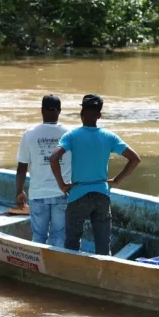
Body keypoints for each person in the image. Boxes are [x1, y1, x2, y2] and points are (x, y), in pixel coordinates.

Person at [49, 94, 141, 255]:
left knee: (71, 242)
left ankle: (72, 271)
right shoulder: (109, 137)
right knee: (103, 245)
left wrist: (62, 185)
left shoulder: (72, 136)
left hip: (78, 194)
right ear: (99, 115)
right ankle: (103, 275)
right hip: (102, 195)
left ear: (81, 113)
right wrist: (116, 181)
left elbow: (54, 158)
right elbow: (135, 159)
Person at [15, 94, 71, 248]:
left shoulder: (29, 134)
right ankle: (57, 269)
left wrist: (20, 191)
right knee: (60, 236)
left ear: (41, 110)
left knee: (39, 236)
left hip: (38, 194)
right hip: (63, 193)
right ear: (60, 111)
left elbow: (22, 167)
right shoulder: (70, 134)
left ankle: (39, 267)